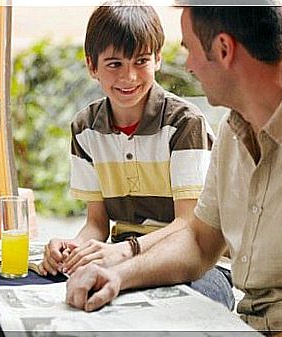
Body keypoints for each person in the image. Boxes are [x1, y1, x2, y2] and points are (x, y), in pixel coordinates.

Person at [65, 5, 282, 336]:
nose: (187, 66)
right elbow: (199, 243)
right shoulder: (231, 135)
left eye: (188, 49)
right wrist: (119, 275)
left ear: (223, 49)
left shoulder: (187, 123)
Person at [41, 2, 234, 309]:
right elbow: (97, 222)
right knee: (66, 297)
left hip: (195, 264)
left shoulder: (184, 124)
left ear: (158, 59)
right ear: (92, 66)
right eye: (114, 64)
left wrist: (127, 250)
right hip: (123, 259)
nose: (129, 77)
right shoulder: (85, 128)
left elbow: (189, 224)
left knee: (183, 309)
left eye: (141, 61)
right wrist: (74, 247)